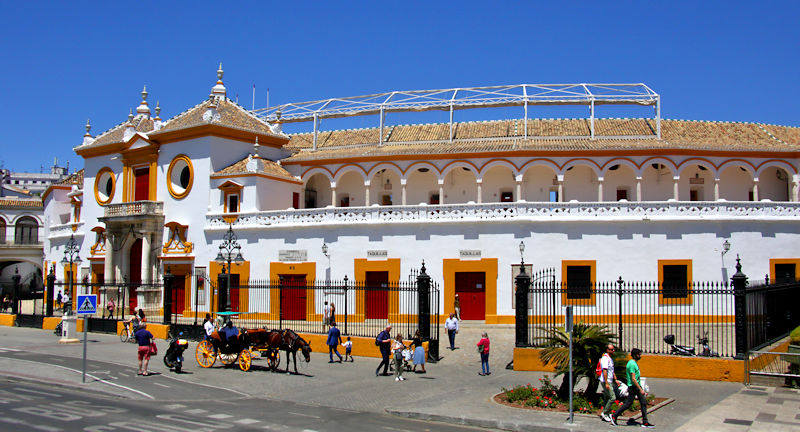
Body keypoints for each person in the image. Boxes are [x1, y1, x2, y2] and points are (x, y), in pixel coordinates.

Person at [612, 348, 654, 428]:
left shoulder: (633, 363)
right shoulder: (631, 364)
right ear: (634, 355)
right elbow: (633, 378)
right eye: (639, 354)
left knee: (643, 403)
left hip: (636, 386)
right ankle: (614, 415)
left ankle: (645, 422)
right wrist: (641, 389)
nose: (640, 356)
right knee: (628, 404)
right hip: (634, 387)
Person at [600, 344, 622, 423]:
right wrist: (606, 383)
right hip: (606, 381)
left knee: (607, 397)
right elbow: (604, 371)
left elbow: (612, 370)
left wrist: (615, 379)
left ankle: (605, 412)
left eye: (613, 349)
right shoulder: (605, 359)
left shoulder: (610, 359)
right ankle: (605, 413)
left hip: (609, 381)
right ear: (607, 350)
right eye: (612, 349)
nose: (613, 351)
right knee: (613, 398)